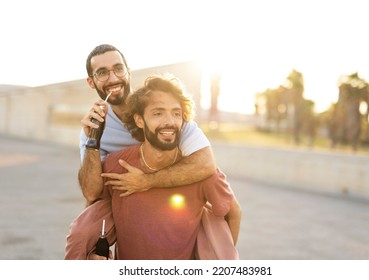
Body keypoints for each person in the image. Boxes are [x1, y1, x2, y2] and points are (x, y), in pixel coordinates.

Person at [66, 74, 241, 260]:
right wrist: (94, 253)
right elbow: (93, 212)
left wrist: (218, 257)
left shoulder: (200, 172)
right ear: (139, 120)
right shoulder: (115, 166)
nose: (169, 122)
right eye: (158, 113)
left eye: (176, 113)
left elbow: (233, 213)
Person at [78, 44, 216, 204]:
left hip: (175, 202)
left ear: (128, 73)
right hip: (127, 207)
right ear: (91, 82)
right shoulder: (93, 127)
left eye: (118, 69)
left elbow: (206, 164)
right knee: (84, 225)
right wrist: (92, 142)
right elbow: (91, 193)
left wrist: (147, 181)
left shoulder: (164, 111)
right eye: (102, 73)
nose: (114, 78)